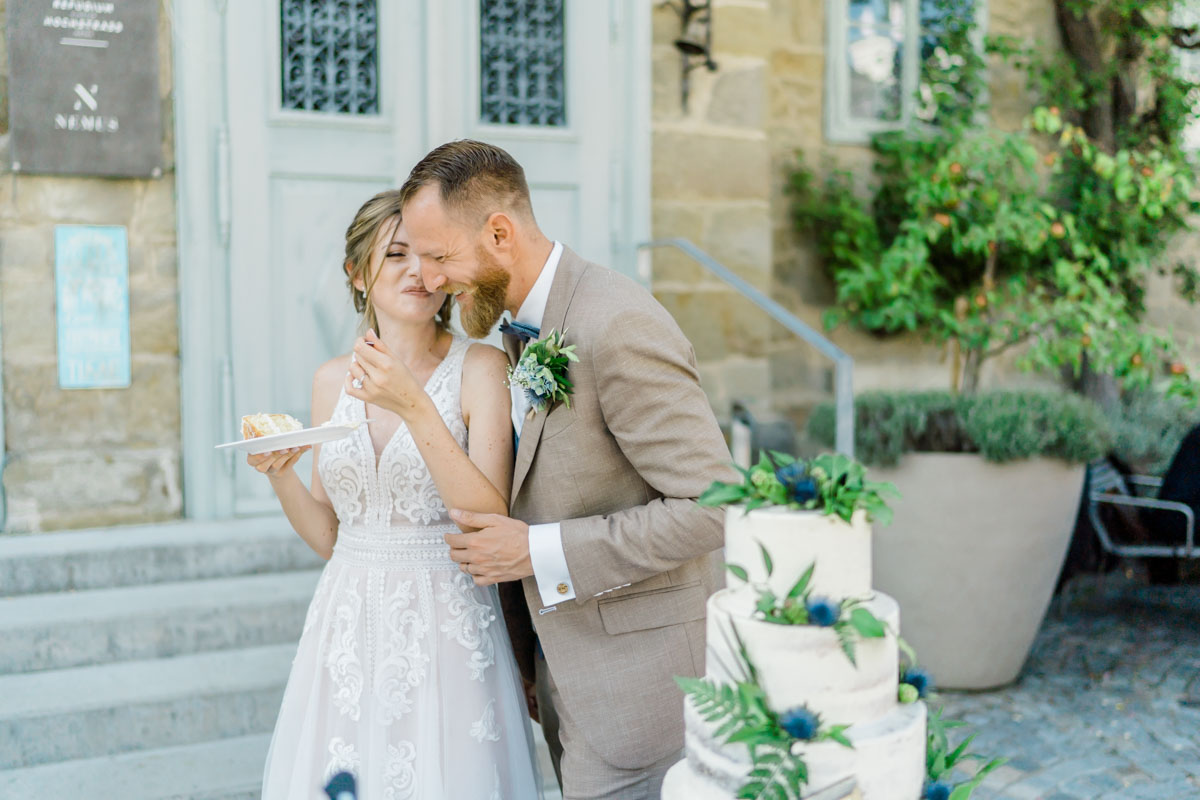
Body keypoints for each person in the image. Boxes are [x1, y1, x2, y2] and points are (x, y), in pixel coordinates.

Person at [398, 140, 738, 799]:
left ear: (499, 233)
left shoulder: (617, 321)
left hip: (649, 698)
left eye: (440, 257)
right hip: (564, 679)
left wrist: (536, 551)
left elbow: (712, 504)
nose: (431, 280)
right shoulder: (512, 330)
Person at [252, 189, 541, 799]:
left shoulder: (481, 367)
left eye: (430, 257)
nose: (418, 272)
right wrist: (280, 473)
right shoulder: (331, 380)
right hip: (348, 621)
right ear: (358, 275)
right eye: (396, 256)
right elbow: (330, 536)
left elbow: (489, 516)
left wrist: (414, 407)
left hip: (448, 618)